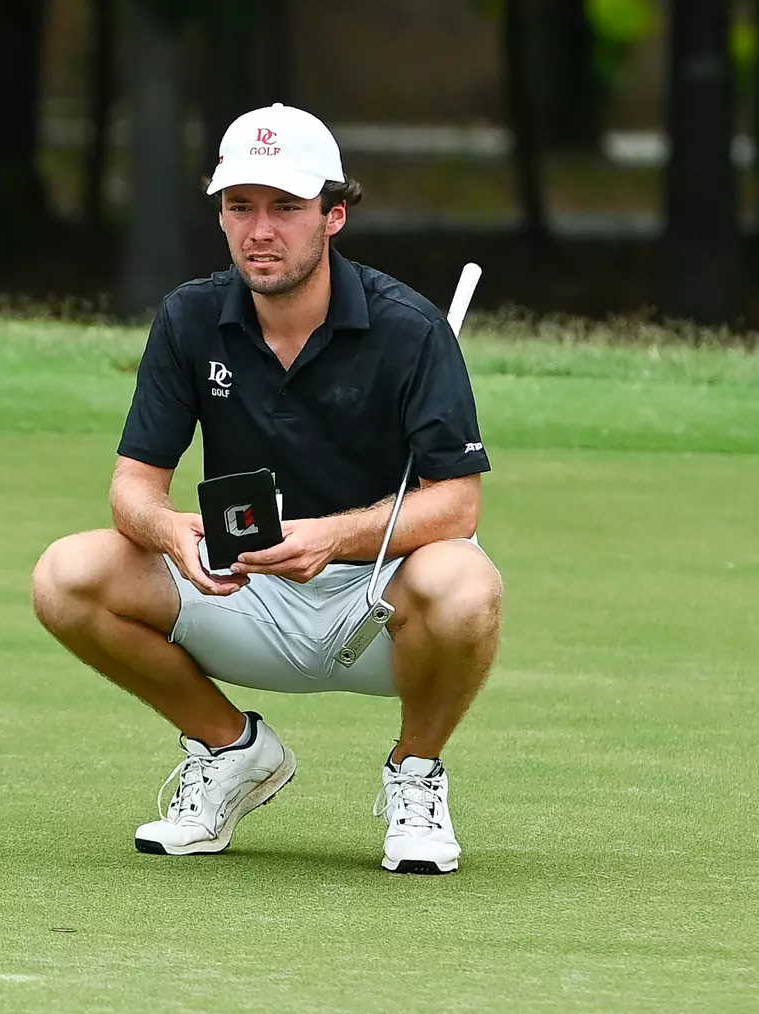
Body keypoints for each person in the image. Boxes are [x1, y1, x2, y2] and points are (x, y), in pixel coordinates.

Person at [31, 103, 502, 874]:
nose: (260, 230)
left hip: (379, 607)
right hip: (238, 592)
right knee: (67, 575)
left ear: (334, 215)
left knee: (467, 581)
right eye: (240, 207)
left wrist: (331, 538)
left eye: (286, 208)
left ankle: (416, 774)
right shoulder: (189, 317)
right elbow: (132, 489)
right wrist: (173, 534)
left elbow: (458, 504)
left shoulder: (408, 327)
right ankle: (233, 752)